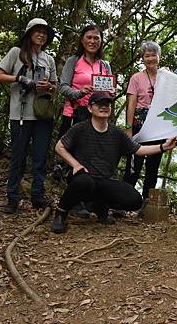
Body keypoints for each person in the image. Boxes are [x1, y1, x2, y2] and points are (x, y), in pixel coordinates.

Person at [51, 92, 177, 233]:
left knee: (135, 200)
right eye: (99, 104)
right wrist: (75, 164)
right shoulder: (80, 128)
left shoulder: (116, 133)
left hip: (103, 181)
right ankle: (61, 212)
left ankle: (99, 206)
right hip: (82, 177)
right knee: (85, 182)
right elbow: (59, 147)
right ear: (90, 108)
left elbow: (139, 149)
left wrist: (163, 147)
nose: (104, 107)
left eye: (107, 104)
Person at [0, 18, 58, 214]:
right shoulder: (17, 53)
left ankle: (37, 196)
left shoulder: (48, 59)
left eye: (44, 33)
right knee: (18, 157)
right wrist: (20, 78)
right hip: (20, 114)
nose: (41, 35)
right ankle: (13, 197)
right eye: (37, 31)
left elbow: (55, 86)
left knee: (40, 158)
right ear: (29, 33)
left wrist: (47, 86)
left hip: (42, 115)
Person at [55, 24, 113, 218]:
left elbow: (109, 91)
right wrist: (80, 92)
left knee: (94, 157)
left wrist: (109, 92)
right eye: (89, 37)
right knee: (74, 157)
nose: (92, 41)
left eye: (96, 38)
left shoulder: (104, 65)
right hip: (74, 113)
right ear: (82, 40)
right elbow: (62, 86)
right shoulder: (74, 61)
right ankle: (73, 201)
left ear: (101, 41)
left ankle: (91, 201)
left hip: (96, 118)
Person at [123, 41, 165, 217]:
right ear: (142, 58)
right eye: (147, 55)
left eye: (153, 55)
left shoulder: (166, 76)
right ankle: (123, 201)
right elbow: (131, 103)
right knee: (134, 164)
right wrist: (129, 128)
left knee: (153, 166)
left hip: (159, 124)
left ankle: (145, 204)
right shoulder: (136, 78)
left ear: (159, 57)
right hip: (140, 123)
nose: (150, 58)